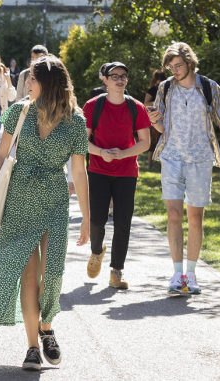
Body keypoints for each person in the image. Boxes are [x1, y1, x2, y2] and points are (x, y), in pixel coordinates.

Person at [0, 55, 90, 372]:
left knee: (51, 275)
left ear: (49, 84)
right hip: (20, 198)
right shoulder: (18, 111)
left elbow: (79, 173)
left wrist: (88, 219)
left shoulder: (75, 122)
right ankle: (31, 347)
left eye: (32, 79)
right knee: (27, 274)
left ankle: (47, 325)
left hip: (54, 199)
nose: (27, 83)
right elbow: (0, 155)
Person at [148, 42, 220, 295]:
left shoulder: (209, 87)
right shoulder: (165, 89)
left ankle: (192, 274)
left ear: (190, 63)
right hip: (172, 158)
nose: (174, 71)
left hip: (200, 159)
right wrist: (155, 122)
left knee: (195, 217)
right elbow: (164, 128)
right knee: (174, 215)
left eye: (178, 66)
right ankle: (177, 275)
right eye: (170, 67)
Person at [83, 62, 151, 290]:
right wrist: (101, 152)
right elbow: (83, 141)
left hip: (126, 172)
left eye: (123, 76)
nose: (119, 80)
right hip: (98, 171)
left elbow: (145, 142)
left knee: (123, 222)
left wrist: (123, 154)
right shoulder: (93, 106)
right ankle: (96, 252)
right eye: (114, 76)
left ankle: (116, 272)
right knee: (97, 221)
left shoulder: (137, 107)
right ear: (105, 80)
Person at [145, 70, 168, 169]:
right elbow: (145, 103)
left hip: (166, 118)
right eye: (157, 80)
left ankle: (163, 165)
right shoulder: (152, 90)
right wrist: (156, 102)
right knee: (152, 143)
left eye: (161, 80)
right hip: (154, 119)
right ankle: (150, 165)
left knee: (165, 142)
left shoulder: (168, 89)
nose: (159, 82)